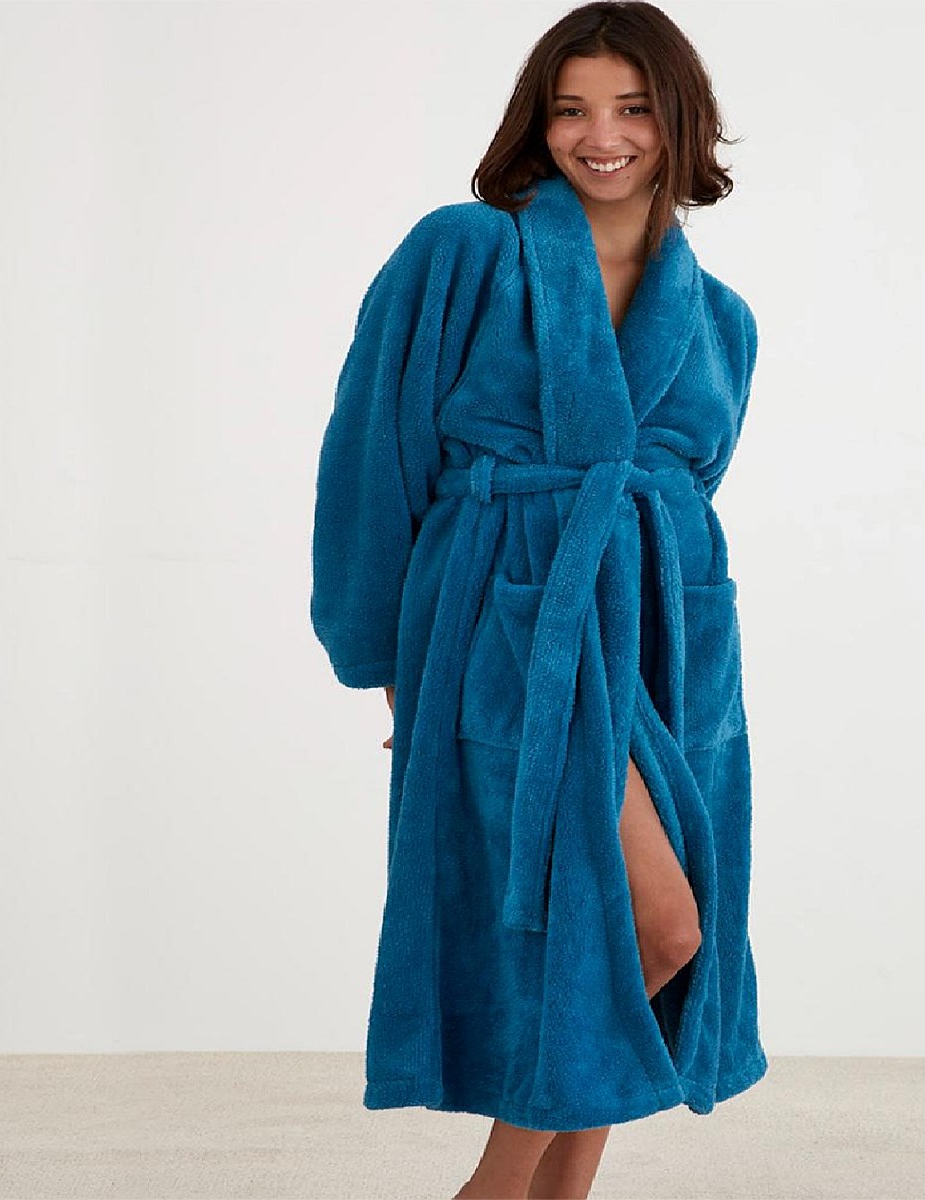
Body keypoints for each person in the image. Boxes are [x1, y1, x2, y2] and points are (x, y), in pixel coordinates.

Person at [310, 2, 767, 1196]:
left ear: (679, 123)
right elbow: (373, 461)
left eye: (631, 108)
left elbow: (689, 494)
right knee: (652, 928)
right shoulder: (463, 253)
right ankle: (491, 1190)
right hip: (508, 632)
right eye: (571, 109)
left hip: (668, 652)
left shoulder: (720, 320)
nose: (600, 136)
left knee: (651, 937)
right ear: (539, 122)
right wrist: (392, 666)